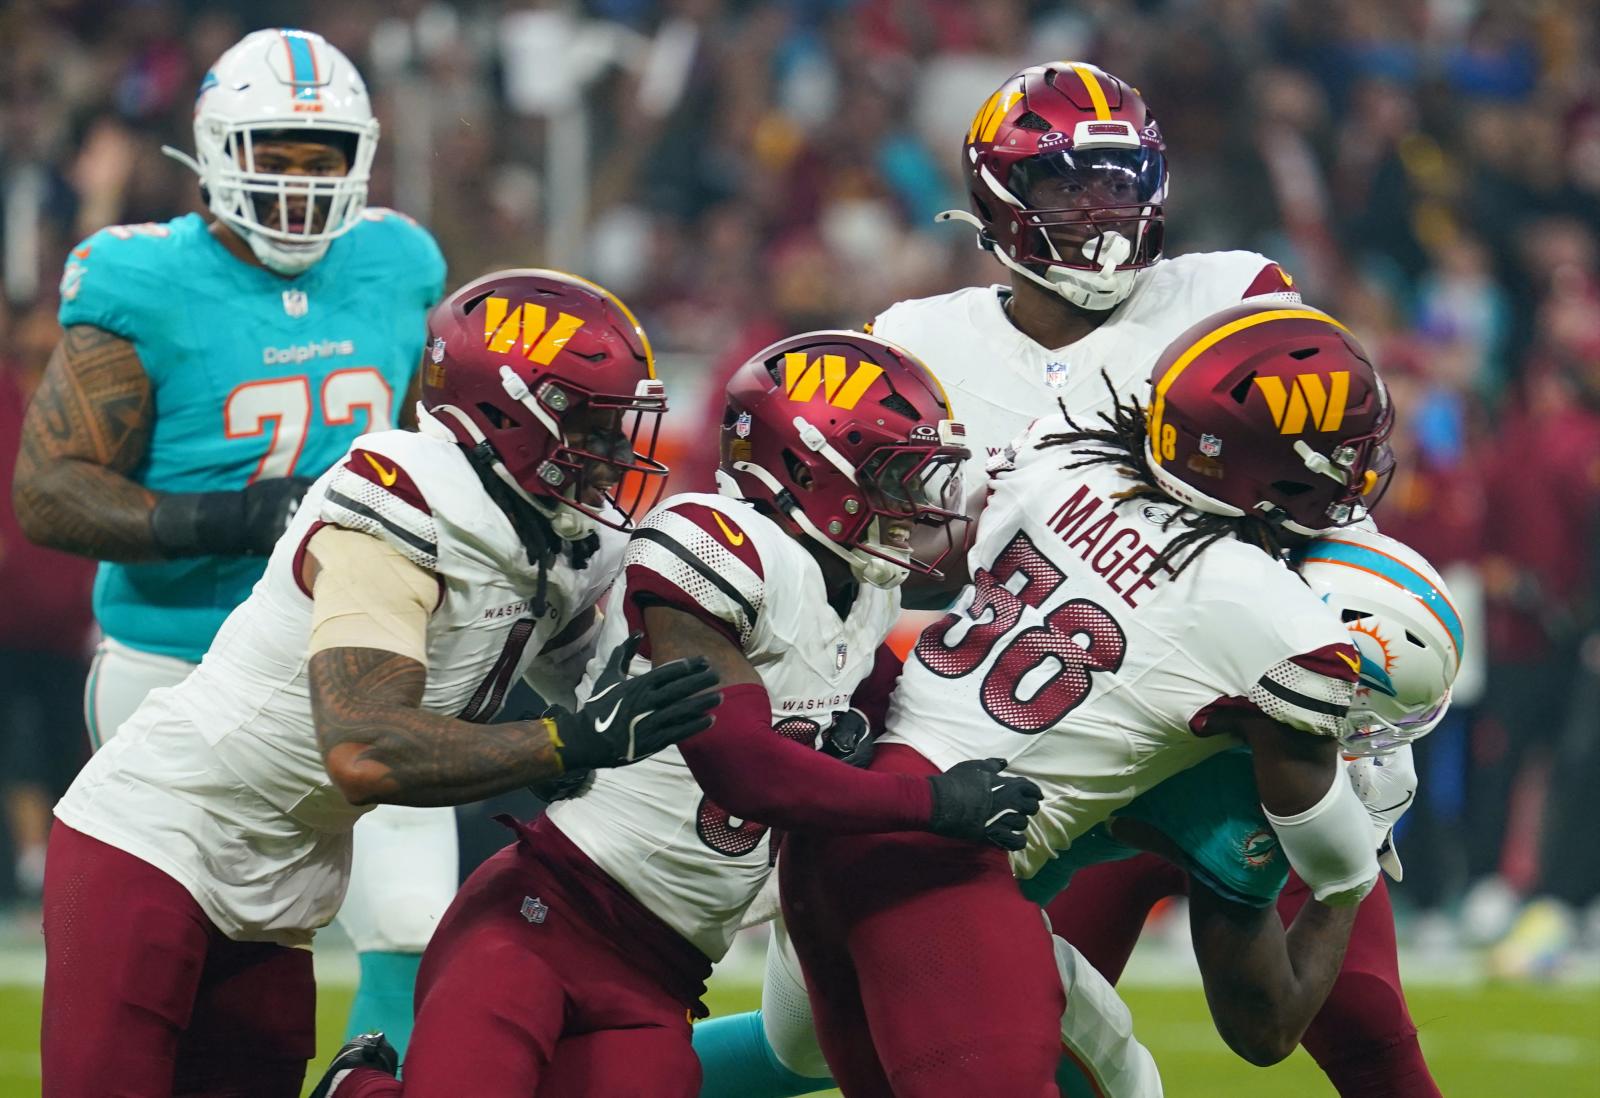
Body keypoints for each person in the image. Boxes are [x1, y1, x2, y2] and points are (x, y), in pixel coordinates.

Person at [693, 59, 1438, 1098]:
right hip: (1041, 745)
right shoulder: (916, 343)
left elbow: (1321, 497)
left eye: (1120, 179)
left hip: (1231, 724)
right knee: (828, 1036)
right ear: (1002, 195)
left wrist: (1352, 697)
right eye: (1064, 182)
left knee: (1354, 1008)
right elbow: (848, 547)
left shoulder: (1232, 294)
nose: (1099, 205)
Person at [38, 268, 722, 1096]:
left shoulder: (554, 535)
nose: (613, 456)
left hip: (288, 875)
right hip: (154, 839)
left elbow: (617, 700)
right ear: (503, 411)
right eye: (591, 426)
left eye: (619, 430)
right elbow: (363, 748)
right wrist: (565, 742)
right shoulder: (403, 500)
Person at [312, 330, 1042, 1098]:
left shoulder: (867, 597)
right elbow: (746, 772)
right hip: (545, 916)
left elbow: (870, 740)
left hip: (664, 971)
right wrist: (935, 802)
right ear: (805, 463)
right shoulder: (717, 545)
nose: (913, 503)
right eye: (892, 476)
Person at [779, 300, 1394, 1097]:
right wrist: (1365, 831)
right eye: (1342, 458)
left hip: (839, 829)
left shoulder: (1067, 458)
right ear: (1277, 466)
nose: (1357, 479)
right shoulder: (1278, 619)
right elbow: (1316, 901)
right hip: (945, 869)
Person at [11, 28, 453, 1052]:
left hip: (359, 654)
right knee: (209, 968)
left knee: (411, 927)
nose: (298, 185)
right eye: (271, 153)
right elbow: (51, 492)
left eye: (322, 157)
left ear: (362, 157)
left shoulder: (398, 262)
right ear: (213, 149)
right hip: (180, 664)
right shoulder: (141, 277)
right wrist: (235, 517)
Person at [692, 527, 1461, 1098]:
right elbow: (1264, 1027)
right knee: (1123, 1085)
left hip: (859, 818)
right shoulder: (1239, 775)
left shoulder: (1171, 563)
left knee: (792, 1054)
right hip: (937, 868)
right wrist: (1348, 871)